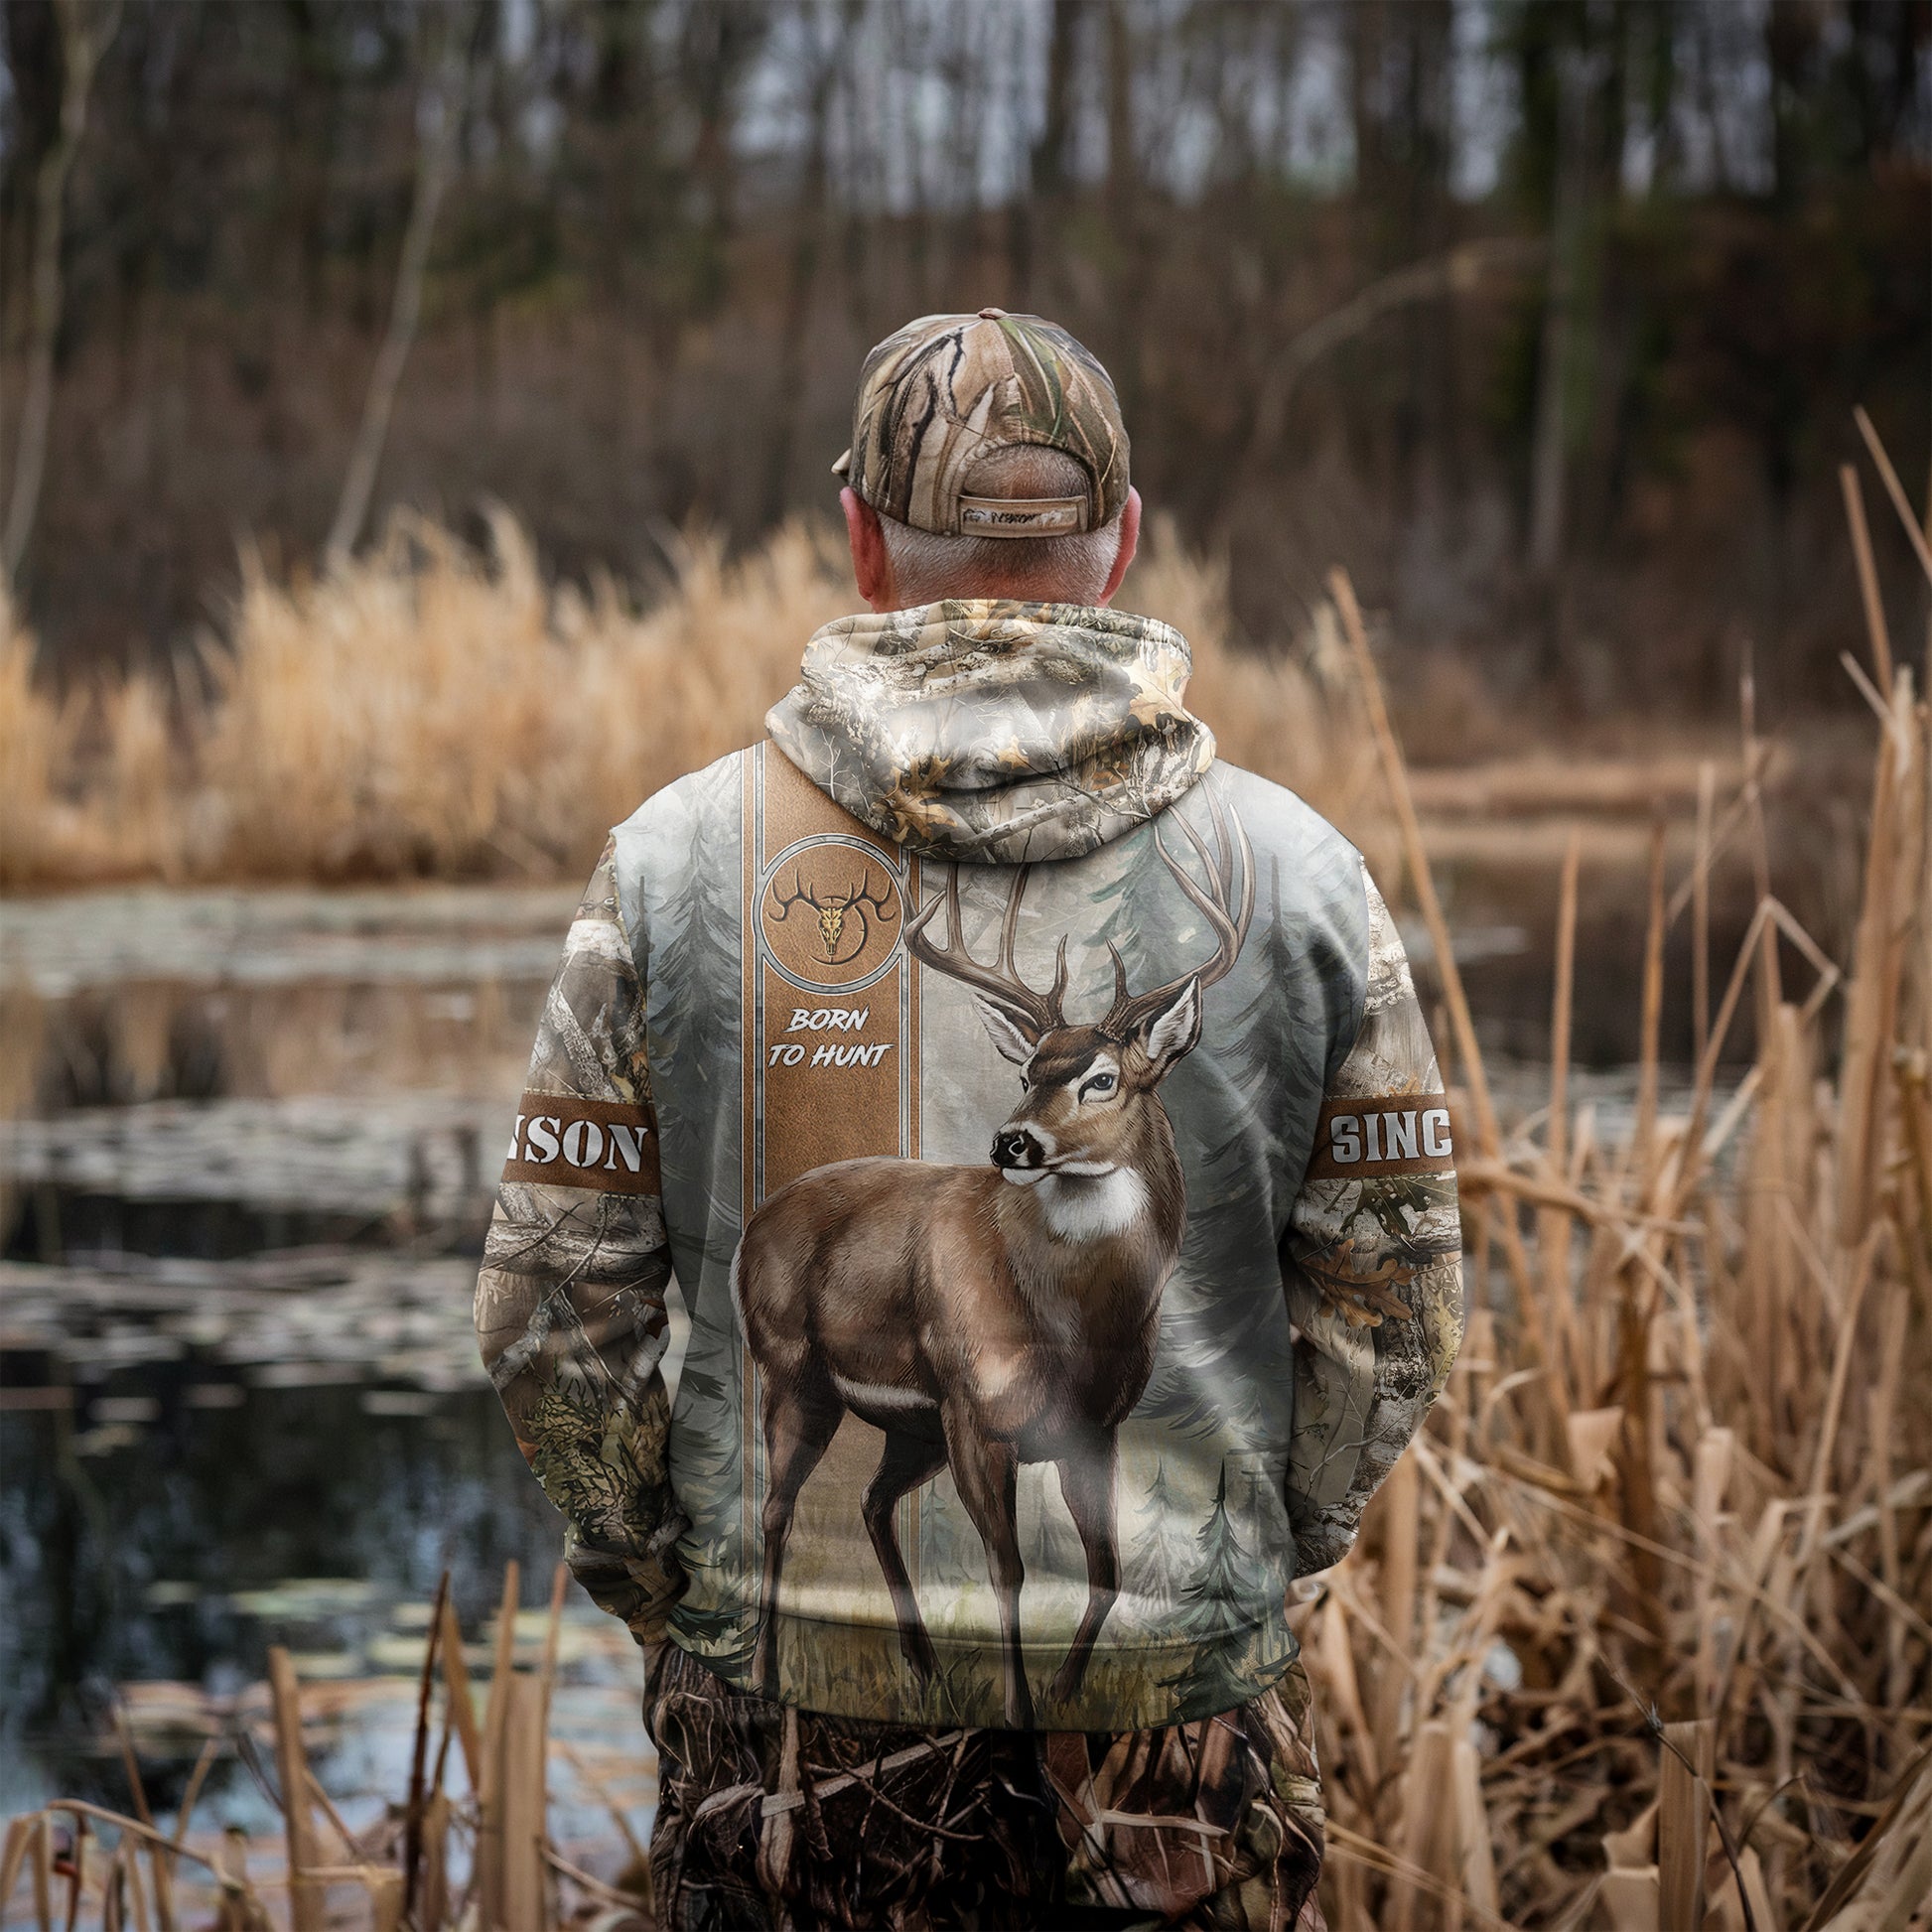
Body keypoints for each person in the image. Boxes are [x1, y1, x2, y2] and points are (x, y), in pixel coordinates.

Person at [475, 309, 1464, 1931]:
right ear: (1124, 543)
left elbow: (541, 1314)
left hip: (786, 1741)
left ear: (857, 536)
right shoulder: (1302, 876)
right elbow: (1400, 1298)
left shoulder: (671, 863)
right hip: (1178, 1751)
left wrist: (681, 1602)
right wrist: (1243, 1561)